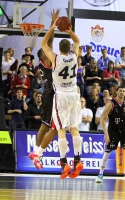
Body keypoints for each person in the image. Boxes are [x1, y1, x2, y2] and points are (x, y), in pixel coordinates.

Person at [38, 18, 83, 179]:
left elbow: (43, 44)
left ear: (59, 48)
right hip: (74, 95)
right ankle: (78, 159)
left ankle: (64, 163)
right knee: (74, 128)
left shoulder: (56, 58)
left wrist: (53, 27)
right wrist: (69, 31)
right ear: (69, 47)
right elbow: (77, 41)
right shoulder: (74, 56)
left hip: (61, 97)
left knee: (61, 129)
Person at [28, 10, 59, 170]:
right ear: (43, 56)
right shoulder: (46, 60)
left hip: (51, 94)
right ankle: (37, 153)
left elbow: (50, 44)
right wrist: (52, 26)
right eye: (47, 50)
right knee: (50, 127)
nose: (50, 51)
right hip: (51, 95)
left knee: (45, 125)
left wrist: (53, 25)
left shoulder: (45, 62)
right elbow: (49, 43)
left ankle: (36, 153)